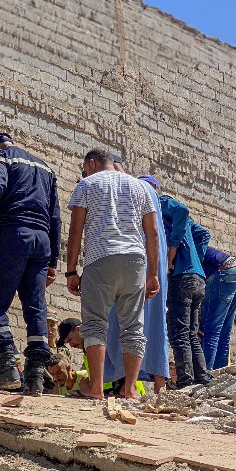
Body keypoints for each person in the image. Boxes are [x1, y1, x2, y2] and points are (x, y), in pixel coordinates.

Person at [64, 149, 160, 400]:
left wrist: (71, 270)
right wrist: (153, 273)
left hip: (101, 256)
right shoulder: (140, 187)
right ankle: (129, 389)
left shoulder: (86, 184)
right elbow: (151, 233)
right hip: (135, 260)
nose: (83, 172)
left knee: (96, 323)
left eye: (84, 167)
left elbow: (76, 229)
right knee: (133, 326)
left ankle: (95, 388)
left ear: (92, 163)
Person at [0, 132, 62, 395]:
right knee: (36, 308)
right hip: (42, 242)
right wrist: (53, 261)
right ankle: (35, 378)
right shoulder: (45, 168)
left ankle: (8, 366)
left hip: (11, 234)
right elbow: (55, 217)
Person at [140, 175, 210, 389]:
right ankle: (202, 379)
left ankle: (186, 382)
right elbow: (204, 234)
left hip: (181, 277)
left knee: (179, 334)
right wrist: (194, 259)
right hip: (197, 277)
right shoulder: (181, 224)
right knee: (191, 333)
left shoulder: (159, 202)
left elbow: (182, 210)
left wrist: (172, 254)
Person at [104, 161, 168, 393]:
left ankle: (124, 384)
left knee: (123, 321)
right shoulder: (152, 197)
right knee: (154, 324)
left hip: (135, 263)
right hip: (153, 266)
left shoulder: (136, 188)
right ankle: (158, 385)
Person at [198, 239, 236, 372]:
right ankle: (220, 374)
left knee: (210, 329)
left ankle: (204, 375)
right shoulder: (194, 244)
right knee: (224, 331)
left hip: (222, 273)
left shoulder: (178, 250)